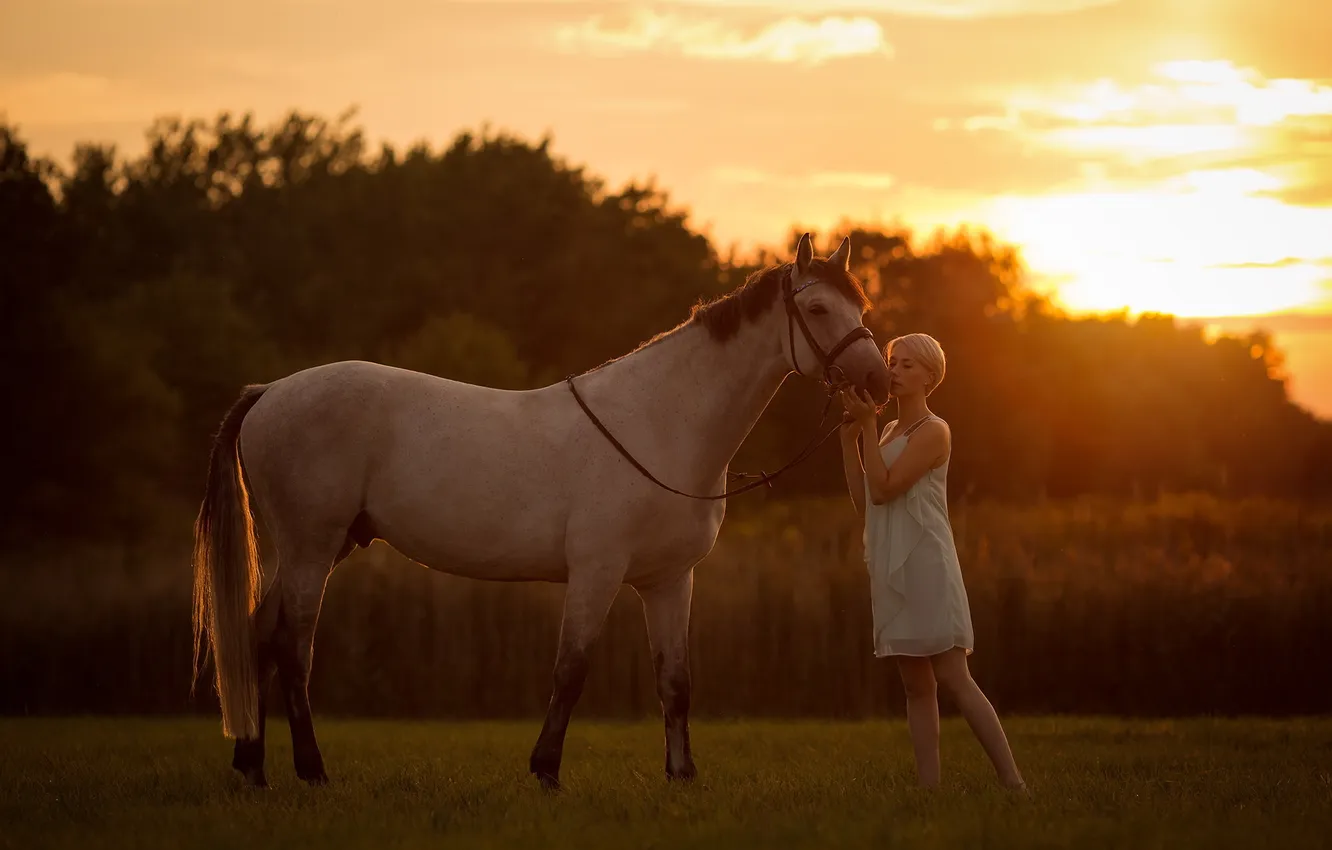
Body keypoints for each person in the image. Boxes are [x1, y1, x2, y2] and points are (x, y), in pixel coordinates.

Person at [838, 332, 1025, 791]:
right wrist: (850, 440)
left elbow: (884, 489)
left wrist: (864, 428)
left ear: (929, 376)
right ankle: (929, 790)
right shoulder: (888, 431)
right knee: (915, 687)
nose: (895, 371)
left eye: (906, 365)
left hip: (924, 560)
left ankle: (1014, 783)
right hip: (892, 560)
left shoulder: (934, 431)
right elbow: (867, 504)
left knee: (954, 677)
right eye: (893, 363)